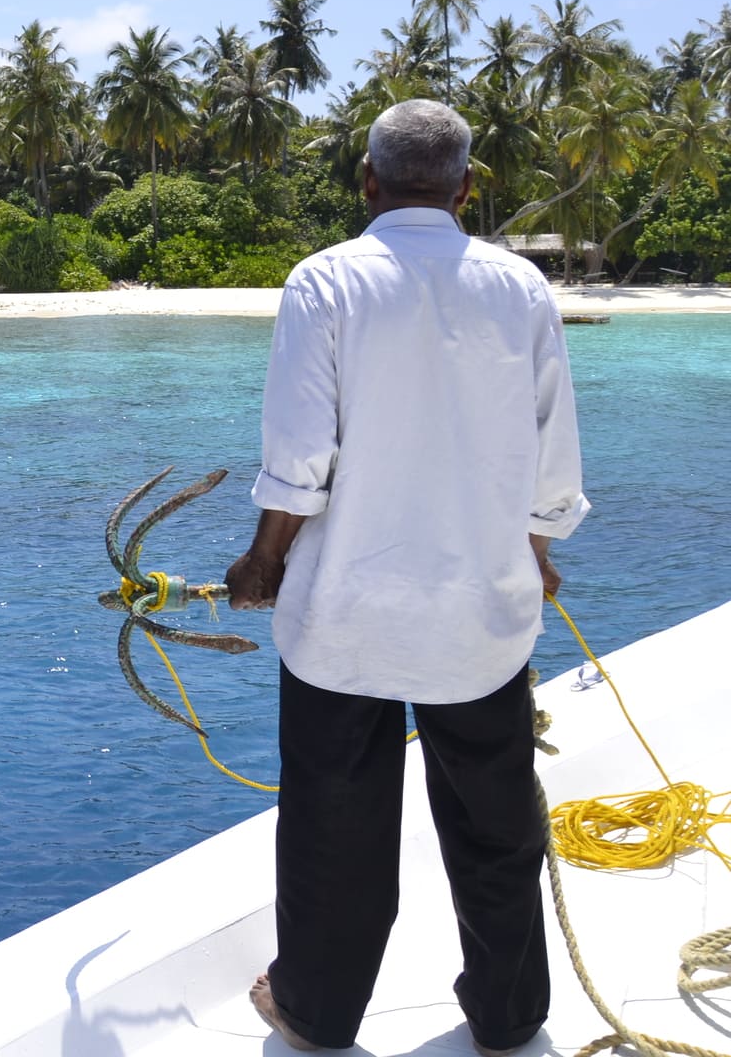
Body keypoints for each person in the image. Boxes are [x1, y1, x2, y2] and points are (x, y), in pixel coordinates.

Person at [222, 98, 588, 1054]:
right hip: (480, 616)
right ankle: (508, 1018)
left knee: (332, 828)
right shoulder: (520, 287)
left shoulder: (325, 282)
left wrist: (263, 560)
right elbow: (552, 455)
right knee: (496, 827)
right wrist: (537, 554)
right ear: (467, 188)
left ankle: (315, 1007)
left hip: (345, 614)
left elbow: (302, 455)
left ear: (367, 183)